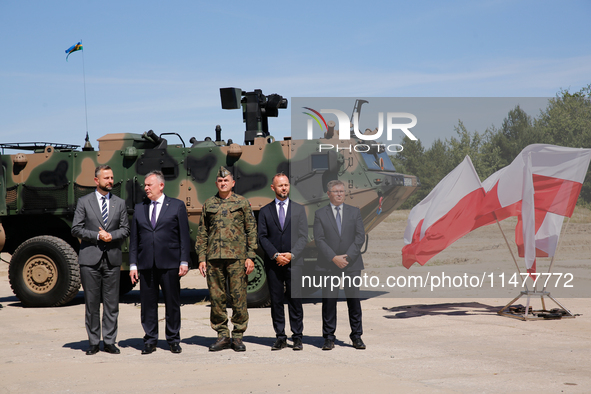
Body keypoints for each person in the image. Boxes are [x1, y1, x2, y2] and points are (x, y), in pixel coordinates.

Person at [129, 170, 191, 355]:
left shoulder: (177, 206)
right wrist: (133, 264)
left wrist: (184, 260)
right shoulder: (139, 208)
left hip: (170, 263)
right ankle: (150, 339)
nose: (146, 188)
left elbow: (184, 236)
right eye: (145, 185)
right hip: (146, 264)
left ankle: (173, 339)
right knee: (148, 304)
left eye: (149, 185)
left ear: (161, 185)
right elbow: (134, 239)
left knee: (172, 303)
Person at [197, 166, 257, 352]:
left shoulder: (242, 203)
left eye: (226, 181)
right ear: (217, 183)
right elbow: (202, 233)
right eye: (220, 181)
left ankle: (238, 336)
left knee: (239, 298)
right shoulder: (209, 204)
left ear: (233, 183)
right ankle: (222, 335)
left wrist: (251, 256)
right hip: (214, 258)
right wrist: (201, 257)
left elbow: (251, 231)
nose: (223, 183)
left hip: (237, 258)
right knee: (217, 299)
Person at [72, 165, 130, 355]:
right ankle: (94, 342)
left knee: (112, 304)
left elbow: (125, 229)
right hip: (90, 259)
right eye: (106, 178)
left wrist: (110, 236)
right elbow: (76, 229)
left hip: (112, 259)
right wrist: (98, 236)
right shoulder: (84, 202)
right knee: (92, 303)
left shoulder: (119, 203)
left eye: (112, 177)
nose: (110, 181)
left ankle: (110, 341)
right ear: (96, 180)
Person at [313, 179, 366, 350]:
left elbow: (360, 237)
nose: (339, 194)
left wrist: (348, 256)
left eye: (342, 191)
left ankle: (356, 336)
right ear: (328, 194)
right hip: (329, 265)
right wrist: (333, 258)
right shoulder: (320, 214)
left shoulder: (354, 212)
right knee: (329, 301)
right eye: (336, 192)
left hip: (352, 264)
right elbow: (319, 240)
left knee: (354, 300)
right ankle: (329, 337)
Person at [258, 173, 308, 351]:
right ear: (273, 188)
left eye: (286, 185)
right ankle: (280, 337)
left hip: (294, 263)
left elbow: (304, 236)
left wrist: (291, 255)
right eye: (280, 185)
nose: (284, 188)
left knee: (295, 301)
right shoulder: (265, 211)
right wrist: (275, 255)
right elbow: (262, 237)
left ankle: (297, 337)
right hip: (274, 264)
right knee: (276, 301)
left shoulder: (299, 209)